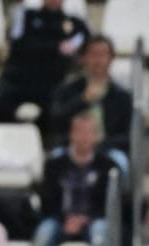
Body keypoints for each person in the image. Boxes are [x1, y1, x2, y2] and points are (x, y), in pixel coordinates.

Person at [27, 109, 117, 246]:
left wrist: (86, 219)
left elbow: (110, 203)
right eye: (79, 131)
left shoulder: (107, 166)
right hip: (60, 219)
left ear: (96, 136)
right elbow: (47, 200)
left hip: (93, 220)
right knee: (42, 235)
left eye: (88, 132)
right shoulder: (54, 165)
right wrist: (65, 220)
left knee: (102, 235)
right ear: (71, 134)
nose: (83, 137)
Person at [0, 0, 88, 127]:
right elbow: (19, 44)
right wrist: (55, 47)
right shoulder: (26, 16)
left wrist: (42, 47)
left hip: (50, 84)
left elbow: (80, 41)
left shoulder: (74, 23)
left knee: (60, 112)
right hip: (18, 80)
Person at [49, 33, 133, 177]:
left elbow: (127, 136)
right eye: (93, 54)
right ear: (84, 58)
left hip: (108, 149)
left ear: (111, 59)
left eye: (102, 55)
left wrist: (97, 144)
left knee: (120, 164)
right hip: (71, 148)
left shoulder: (122, 96)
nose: (98, 60)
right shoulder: (68, 90)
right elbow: (55, 121)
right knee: (53, 161)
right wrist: (82, 100)